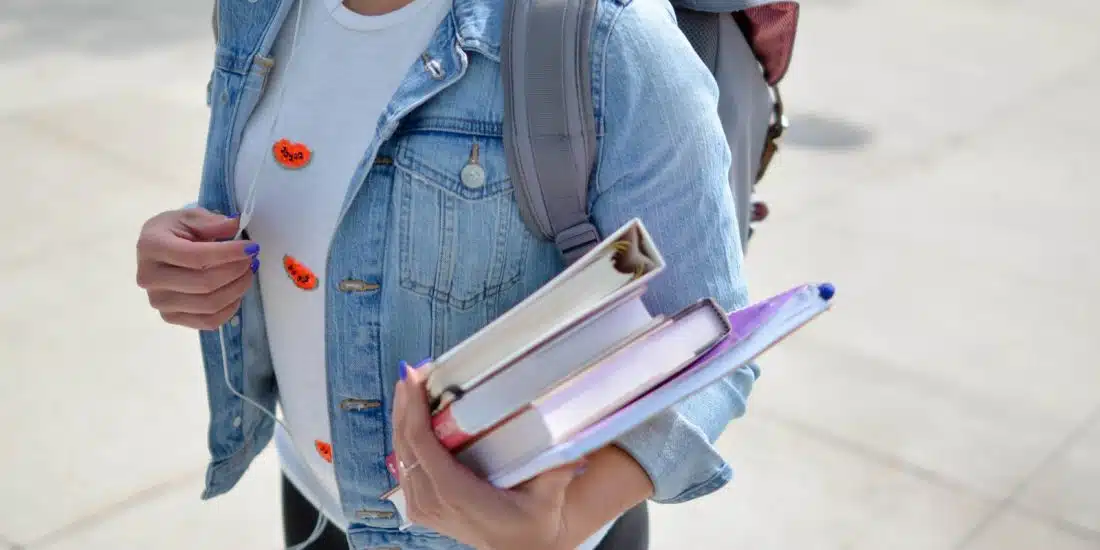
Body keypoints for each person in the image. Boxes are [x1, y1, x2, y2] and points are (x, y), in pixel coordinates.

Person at [134, 0, 764, 547]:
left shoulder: (609, 37)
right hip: (315, 500)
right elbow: (288, 198)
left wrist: (561, 524)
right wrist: (190, 257)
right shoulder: (259, 10)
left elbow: (709, 337)